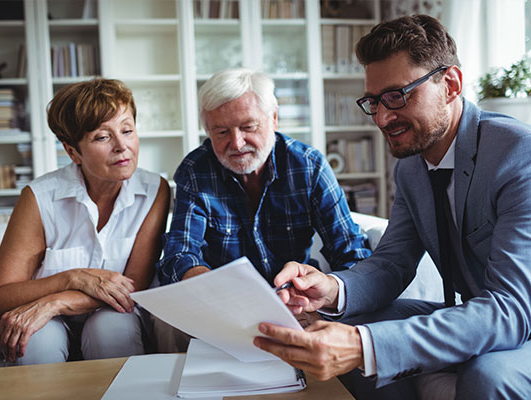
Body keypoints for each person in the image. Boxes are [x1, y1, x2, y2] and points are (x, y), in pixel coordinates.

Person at [253, 14, 531, 400]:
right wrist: (331, 289)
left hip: (520, 318)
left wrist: (365, 346)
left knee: (489, 375)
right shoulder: (411, 169)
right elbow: (392, 263)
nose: (382, 118)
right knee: (350, 322)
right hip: (482, 313)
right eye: (373, 101)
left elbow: (510, 310)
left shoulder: (518, 154)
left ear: (450, 84)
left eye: (398, 96)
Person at [153, 68, 370, 351]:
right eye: (221, 131)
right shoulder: (195, 170)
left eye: (248, 127)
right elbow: (180, 253)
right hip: (219, 305)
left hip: (292, 302)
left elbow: (351, 253)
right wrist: (208, 284)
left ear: (274, 119)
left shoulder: (309, 166)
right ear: (207, 131)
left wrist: (323, 290)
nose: (236, 143)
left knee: (333, 328)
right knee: (167, 322)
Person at [0, 78, 170, 365]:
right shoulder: (39, 197)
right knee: (37, 340)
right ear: (72, 152)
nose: (122, 146)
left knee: (111, 327)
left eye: (127, 130)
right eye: (102, 137)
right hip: (47, 323)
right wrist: (73, 278)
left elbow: (133, 288)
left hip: (112, 314)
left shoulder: (155, 190)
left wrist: (54, 301)